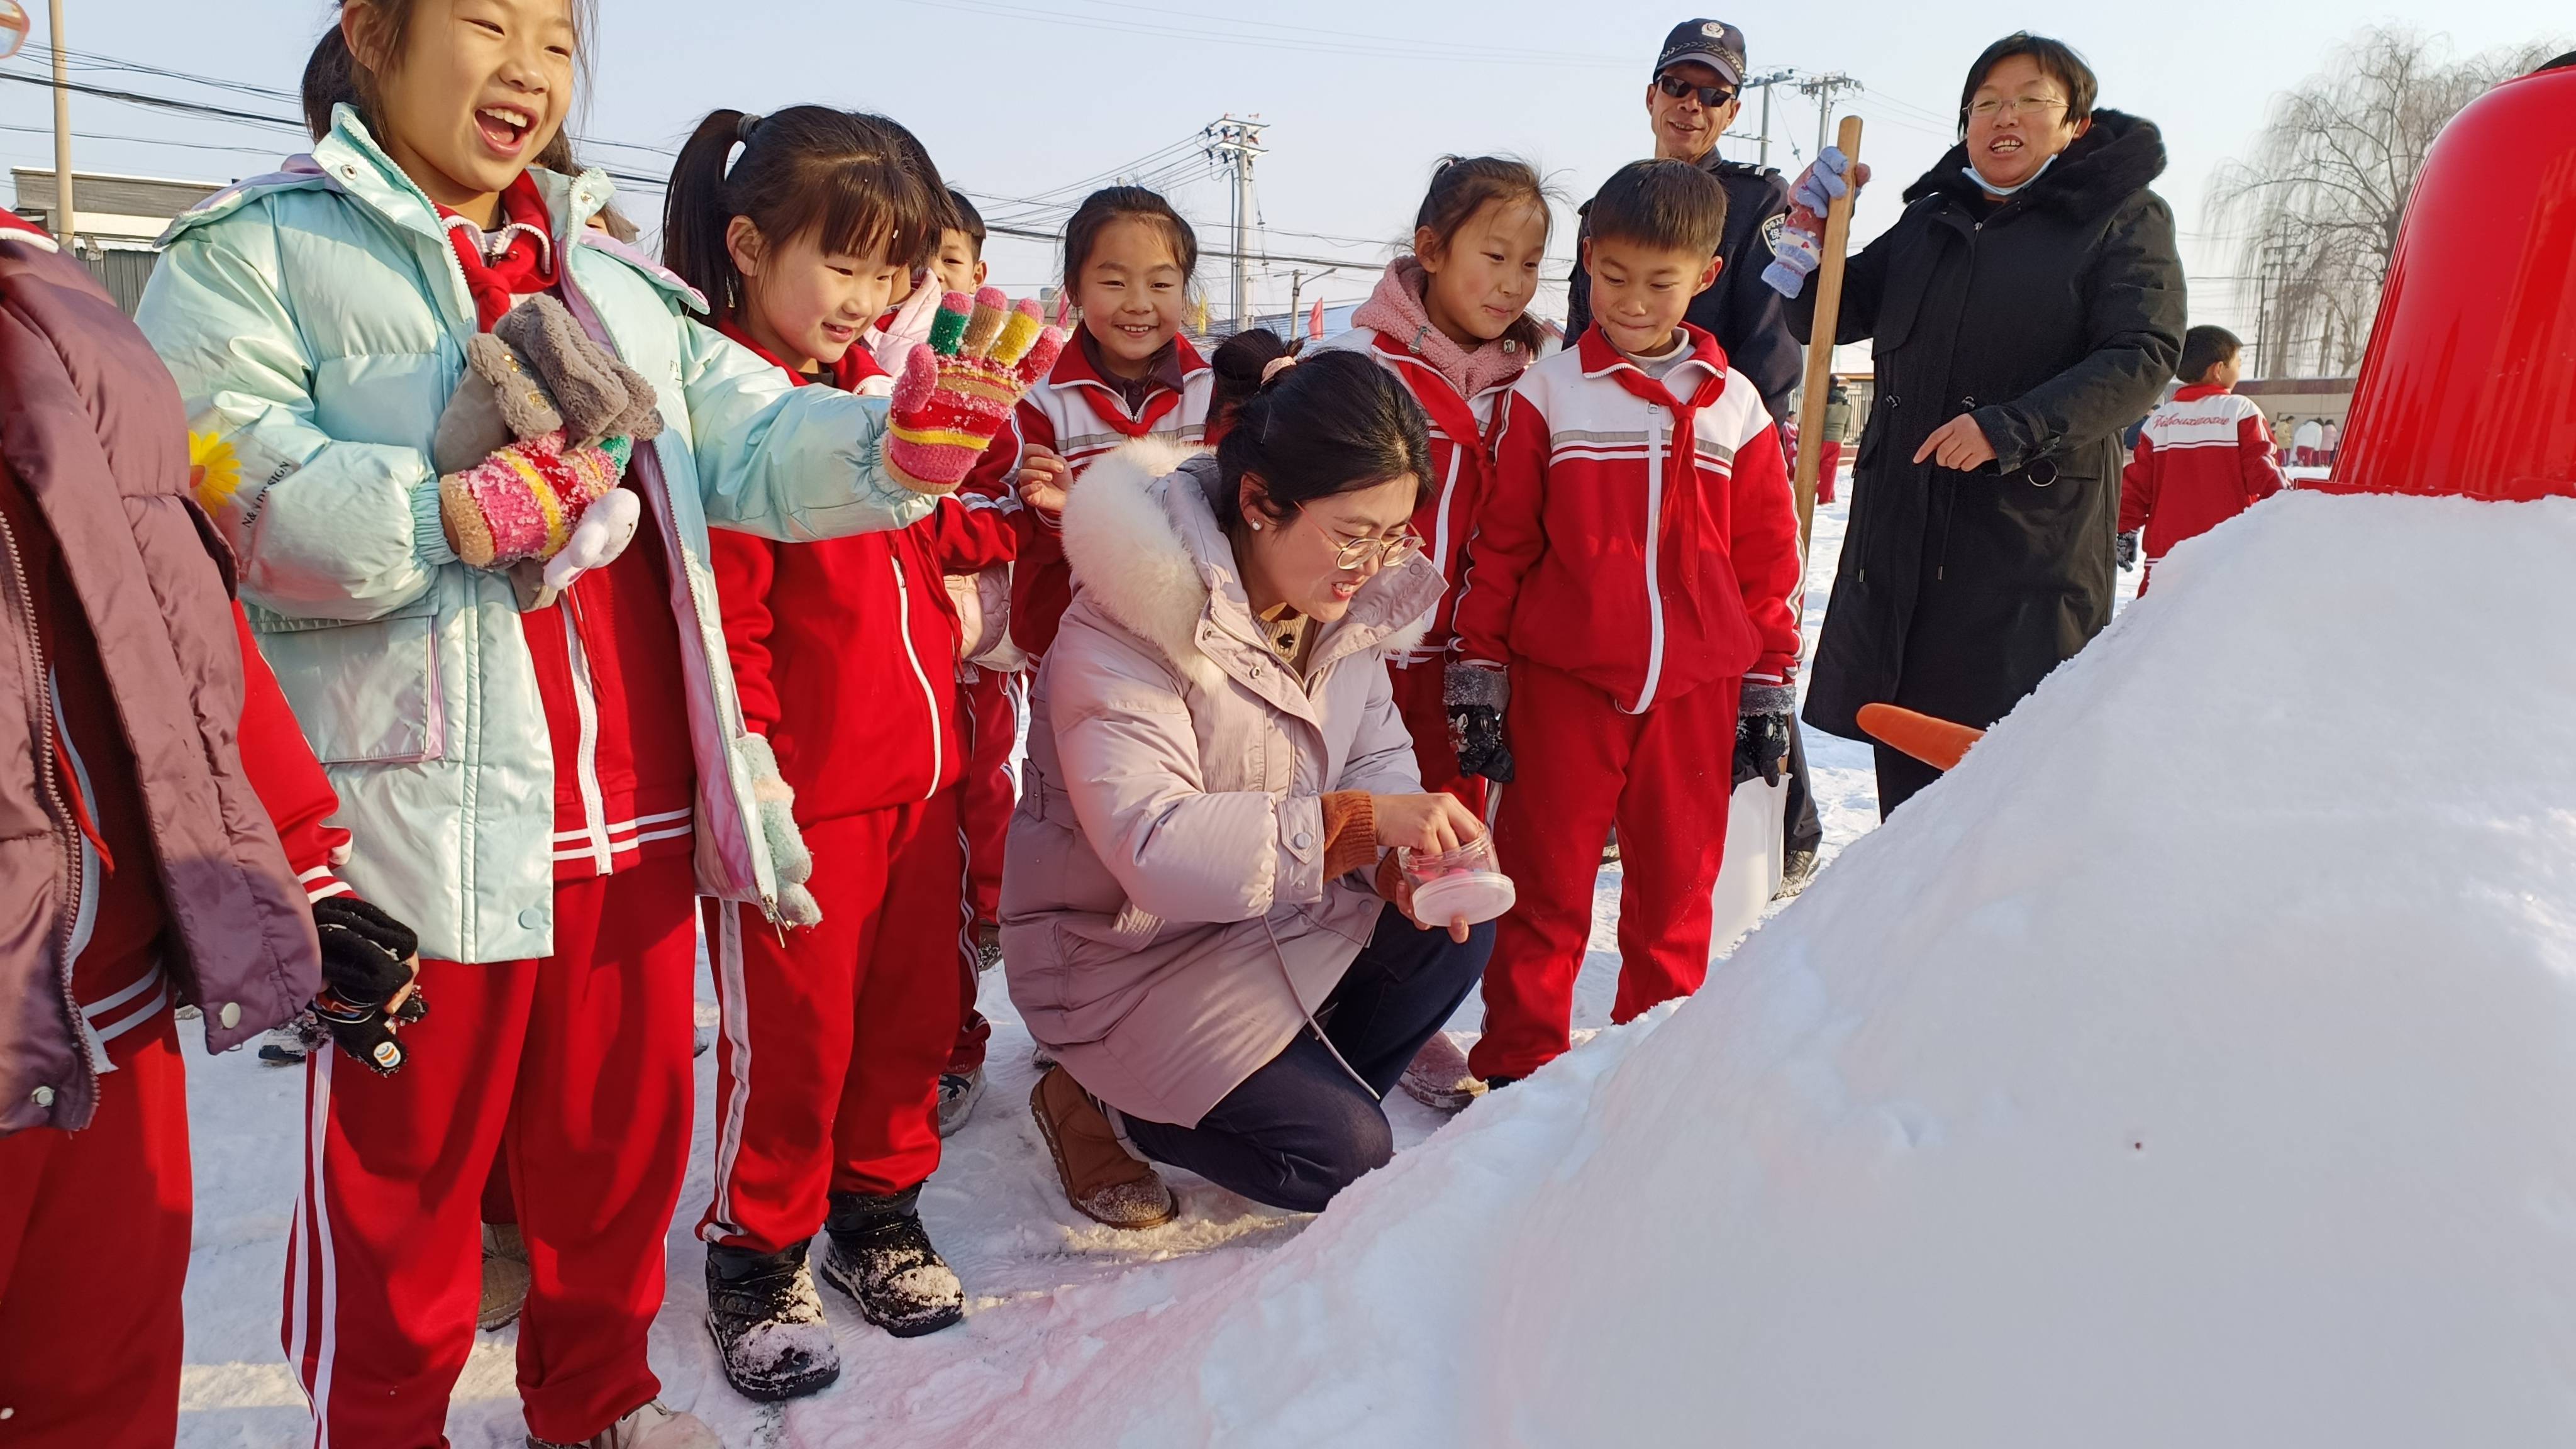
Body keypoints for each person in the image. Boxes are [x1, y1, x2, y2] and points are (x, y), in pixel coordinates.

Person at [135, 3, 1036, 1443]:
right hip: (416, 830)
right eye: (488, 25)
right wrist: (432, 511)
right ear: (372, 32)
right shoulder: (249, 256)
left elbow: (749, 435)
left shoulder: (612, 280)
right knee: (405, 1199)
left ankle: (599, 1402)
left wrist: (892, 448)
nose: (530, 72)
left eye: (556, 40)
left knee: (611, 1168)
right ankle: (381, 1426)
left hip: (632, 815)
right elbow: (206, 465)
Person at [0, 204, 426, 1448]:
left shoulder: (57, 292)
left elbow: (174, 613)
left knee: (107, 1380)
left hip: (105, 994)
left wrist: (297, 863)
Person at [669, 108, 1020, 1400]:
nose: (868, 298)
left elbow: (919, 555)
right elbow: (733, 622)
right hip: (808, 806)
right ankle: (755, 1251)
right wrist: (755, 778)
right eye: (846, 264)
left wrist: (983, 520)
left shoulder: (878, 397)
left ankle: (878, 1207)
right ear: (750, 247)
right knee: (795, 1039)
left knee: (907, 1020)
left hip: (920, 790)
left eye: (893, 270)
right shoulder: (740, 419)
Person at [1007, 352, 1496, 1223]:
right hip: (1126, 960)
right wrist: (1357, 825)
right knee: (1345, 1158)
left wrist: (1399, 862)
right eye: (1354, 532)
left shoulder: (1339, 607)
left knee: (1451, 930)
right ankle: (1105, 1102)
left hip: (1266, 918)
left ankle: (1285, 1082)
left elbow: (1373, 762)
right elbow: (1154, 846)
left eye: (1395, 535)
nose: (1374, 563)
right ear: (1262, 502)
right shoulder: (1128, 622)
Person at [1446, 159, 1802, 1089]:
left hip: (1696, 688)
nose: (1635, 303)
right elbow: (1506, 540)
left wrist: (1768, 678)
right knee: (1546, 884)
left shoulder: (1735, 407)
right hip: (1567, 682)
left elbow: (1769, 560)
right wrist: (1480, 662)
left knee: (1679, 891)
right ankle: (1521, 1065)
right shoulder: (1551, 394)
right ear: (1589, 261)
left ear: (1705, 277)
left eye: (1661, 282)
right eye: (1614, 278)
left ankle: (1655, 1069)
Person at [1772, 31, 2185, 815]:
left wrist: (2011, 427)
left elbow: (2143, 355)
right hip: (1904, 555)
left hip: (2024, 564)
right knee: (1910, 788)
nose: (2006, 116)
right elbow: (1820, 317)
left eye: (2033, 100)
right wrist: (1806, 227)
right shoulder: (1934, 220)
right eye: (1987, 102)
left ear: (2075, 126)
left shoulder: (2120, 218)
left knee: (2009, 799)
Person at [1564, 19, 1826, 888]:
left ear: (1733, 109)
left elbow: (1771, 340)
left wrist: (1722, 436)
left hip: (1709, 442)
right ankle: (1616, 801)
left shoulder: (1757, 206)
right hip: (1610, 443)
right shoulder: (1610, 200)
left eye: (1713, 94)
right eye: (1679, 86)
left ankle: (1787, 817)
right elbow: (1580, 331)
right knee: (1619, 617)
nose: (1692, 105)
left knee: (1735, 626)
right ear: (1650, 96)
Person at [1315, 154, 1549, 1109]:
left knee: (1449, 837)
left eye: (1532, 265)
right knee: (1355, 834)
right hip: (1369, 653)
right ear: (1429, 252)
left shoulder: (1536, 381)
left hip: (1473, 661)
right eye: (1494, 256)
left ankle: (1408, 1019)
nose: (1512, 284)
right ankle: (1311, 1010)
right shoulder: (1367, 366)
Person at [965, 186, 1215, 661]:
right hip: (1068, 646)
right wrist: (1055, 506)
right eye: (1115, 283)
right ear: (1075, 289)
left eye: (1161, 285)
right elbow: (1011, 525)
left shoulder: (1213, 391)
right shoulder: (1037, 398)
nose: (1139, 303)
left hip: (1190, 646)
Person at [938, 188, 1009, 1139]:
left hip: (972, 657)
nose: (929, 280)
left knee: (964, 821)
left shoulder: (997, 388)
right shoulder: (859, 374)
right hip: (888, 663)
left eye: (947, 258)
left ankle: (957, 1042)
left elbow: (999, 519)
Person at [2116, 325, 2283, 591]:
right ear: (2218, 370)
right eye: (2238, 363)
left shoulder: (2159, 422)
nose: (2240, 370)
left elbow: (2136, 486)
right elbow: (2262, 470)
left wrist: (2125, 529)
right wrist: (2287, 509)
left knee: (2158, 623)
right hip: (2227, 547)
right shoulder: (2240, 411)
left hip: (2167, 554)